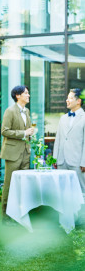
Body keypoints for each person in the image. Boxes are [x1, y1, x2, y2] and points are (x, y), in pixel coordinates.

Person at [0, 85, 34, 223]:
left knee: (23, 185)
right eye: (26, 93)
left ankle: (20, 215)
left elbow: (26, 130)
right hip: (12, 153)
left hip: (25, 153)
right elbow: (4, 131)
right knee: (9, 184)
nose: (29, 95)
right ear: (18, 95)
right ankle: (6, 217)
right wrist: (23, 133)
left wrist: (30, 133)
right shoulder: (10, 111)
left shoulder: (27, 111)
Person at [53, 88, 85, 223]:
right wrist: (55, 158)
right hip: (61, 161)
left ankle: (81, 220)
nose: (67, 100)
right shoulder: (63, 118)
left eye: (70, 98)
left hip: (77, 162)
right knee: (63, 191)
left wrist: (84, 161)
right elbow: (58, 139)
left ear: (78, 101)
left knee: (81, 191)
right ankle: (65, 220)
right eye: (67, 98)